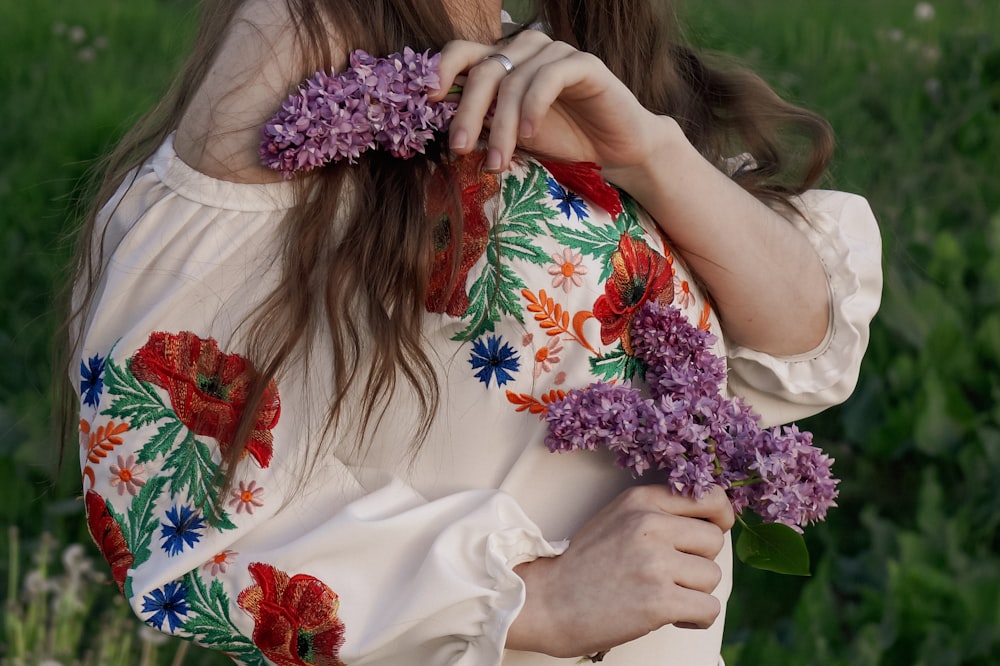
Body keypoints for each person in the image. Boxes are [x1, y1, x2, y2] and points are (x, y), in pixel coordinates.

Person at [67, 0, 882, 664]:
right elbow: (164, 504)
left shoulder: (560, 59)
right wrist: (531, 594)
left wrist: (650, 156)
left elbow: (796, 340)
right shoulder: (299, 40)